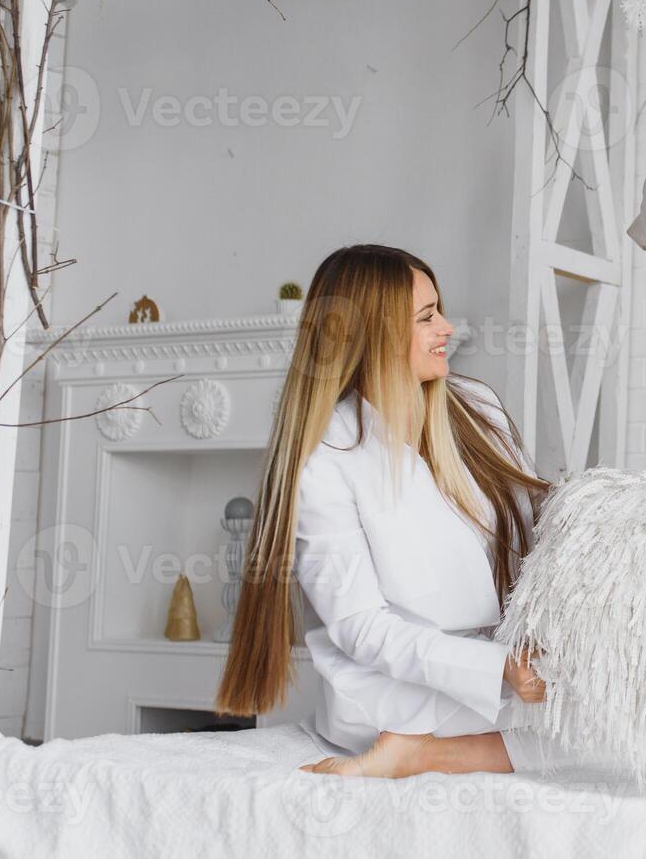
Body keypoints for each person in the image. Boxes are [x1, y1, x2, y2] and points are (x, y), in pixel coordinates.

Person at [216, 244, 551, 778]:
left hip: (496, 670)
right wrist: (497, 669)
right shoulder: (326, 458)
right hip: (394, 687)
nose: (448, 327)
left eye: (439, 309)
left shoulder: (478, 409)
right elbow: (362, 628)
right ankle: (421, 752)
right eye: (426, 317)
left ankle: (426, 750)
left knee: (625, 716)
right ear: (374, 334)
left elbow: (538, 533)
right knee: (584, 739)